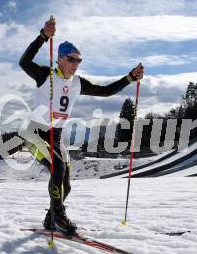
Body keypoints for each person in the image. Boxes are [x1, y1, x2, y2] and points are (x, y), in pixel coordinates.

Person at [18, 17, 144, 235]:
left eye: (79, 60)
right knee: (56, 168)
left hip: (56, 137)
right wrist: (42, 37)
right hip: (36, 134)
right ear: (59, 59)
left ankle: (50, 218)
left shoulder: (77, 83)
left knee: (66, 183)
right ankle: (59, 216)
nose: (76, 64)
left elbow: (106, 91)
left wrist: (130, 78)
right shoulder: (44, 75)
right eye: (72, 59)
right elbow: (24, 62)